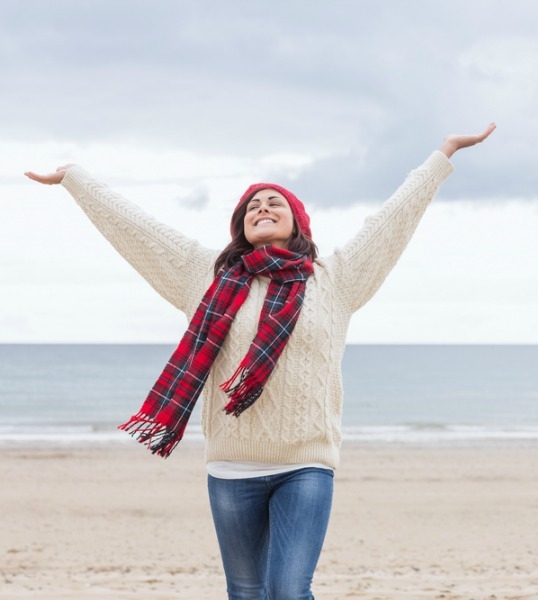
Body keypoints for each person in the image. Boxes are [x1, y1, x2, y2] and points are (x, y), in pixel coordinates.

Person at [24, 122, 496, 600]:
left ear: (298, 224)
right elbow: (139, 231)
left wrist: (444, 154)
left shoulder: (334, 280)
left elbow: (392, 222)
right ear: (241, 227)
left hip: (306, 464)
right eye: (252, 205)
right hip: (231, 468)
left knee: (289, 590)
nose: (262, 208)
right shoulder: (204, 276)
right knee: (247, 593)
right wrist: (76, 179)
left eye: (275, 203)